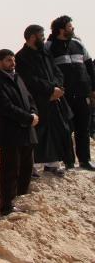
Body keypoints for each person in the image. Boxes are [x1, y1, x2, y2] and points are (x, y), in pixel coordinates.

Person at [0, 49, 38, 216]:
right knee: (10, 170)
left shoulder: (17, 77)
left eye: (13, 60)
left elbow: (29, 99)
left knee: (26, 168)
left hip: (27, 132)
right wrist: (27, 117)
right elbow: (5, 107)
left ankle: (21, 201)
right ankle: (7, 206)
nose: (12, 63)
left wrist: (33, 113)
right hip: (11, 133)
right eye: (8, 60)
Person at [16, 25, 73, 176]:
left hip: (54, 97)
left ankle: (52, 164)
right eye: (41, 35)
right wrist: (50, 90)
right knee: (38, 132)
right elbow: (29, 80)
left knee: (57, 129)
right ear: (33, 37)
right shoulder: (21, 57)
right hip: (37, 99)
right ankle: (32, 166)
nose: (43, 38)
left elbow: (57, 71)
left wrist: (58, 87)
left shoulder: (46, 53)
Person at [45, 16, 95, 170]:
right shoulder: (49, 46)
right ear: (61, 29)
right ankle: (68, 161)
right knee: (66, 128)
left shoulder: (78, 44)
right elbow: (46, 70)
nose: (72, 28)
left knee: (83, 128)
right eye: (70, 26)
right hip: (63, 96)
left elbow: (89, 67)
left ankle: (84, 160)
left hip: (81, 94)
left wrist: (92, 89)